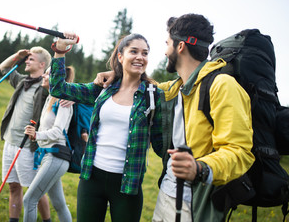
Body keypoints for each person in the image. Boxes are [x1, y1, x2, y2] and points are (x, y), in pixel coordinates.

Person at [94, 13, 255, 221]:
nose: (165, 51)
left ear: (180, 47)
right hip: (167, 193)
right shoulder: (173, 89)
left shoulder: (222, 85)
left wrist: (200, 168)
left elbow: (240, 151)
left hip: (195, 203)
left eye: (167, 43)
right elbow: (138, 86)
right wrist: (118, 74)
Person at [49, 33, 163, 222]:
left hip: (128, 184)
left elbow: (161, 144)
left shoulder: (153, 96)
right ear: (120, 56)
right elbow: (58, 88)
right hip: (92, 178)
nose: (140, 57)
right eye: (133, 51)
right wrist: (60, 51)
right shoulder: (103, 88)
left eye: (145, 53)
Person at [0, 47, 51, 222]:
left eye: (31, 59)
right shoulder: (22, 81)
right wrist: (17, 56)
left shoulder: (45, 88)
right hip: (10, 140)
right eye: (27, 59)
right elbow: (3, 68)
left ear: (42, 64)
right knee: (13, 186)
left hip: (27, 145)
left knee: (34, 190)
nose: (27, 61)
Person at [23, 66, 75, 222]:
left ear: (56, 78)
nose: (43, 76)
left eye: (47, 73)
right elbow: (47, 130)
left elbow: (58, 132)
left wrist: (37, 134)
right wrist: (35, 137)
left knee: (29, 200)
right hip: (47, 156)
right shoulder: (49, 98)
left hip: (56, 157)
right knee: (59, 204)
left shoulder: (64, 101)